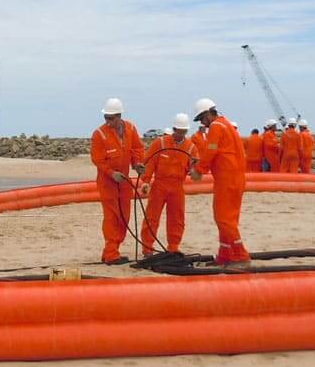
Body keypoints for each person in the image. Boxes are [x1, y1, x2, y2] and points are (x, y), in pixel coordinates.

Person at [190, 98, 250, 265]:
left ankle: (240, 255)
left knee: (224, 219)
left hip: (227, 179)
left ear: (209, 114)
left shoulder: (216, 126)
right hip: (234, 178)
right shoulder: (226, 125)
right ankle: (225, 253)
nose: (203, 122)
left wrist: (199, 171)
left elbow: (210, 151)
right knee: (228, 218)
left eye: (202, 118)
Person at [90, 97, 146, 263]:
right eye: (105, 118)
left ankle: (112, 250)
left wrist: (137, 164)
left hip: (124, 181)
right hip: (107, 182)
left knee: (124, 217)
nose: (107, 121)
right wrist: (111, 173)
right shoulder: (99, 134)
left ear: (119, 116)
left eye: (111, 118)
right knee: (112, 217)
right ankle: (111, 253)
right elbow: (97, 159)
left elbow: (137, 148)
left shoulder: (130, 128)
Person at [139, 113, 198, 255]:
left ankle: (173, 246)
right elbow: (149, 162)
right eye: (179, 131)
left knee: (177, 218)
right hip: (159, 185)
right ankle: (147, 248)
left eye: (184, 132)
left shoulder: (190, 148)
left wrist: (195, 170)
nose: (181, 134)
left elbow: (195, 167)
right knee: (152, 217)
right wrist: (145, 181)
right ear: (174, 129)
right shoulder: (160, 143)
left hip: (177, 187)